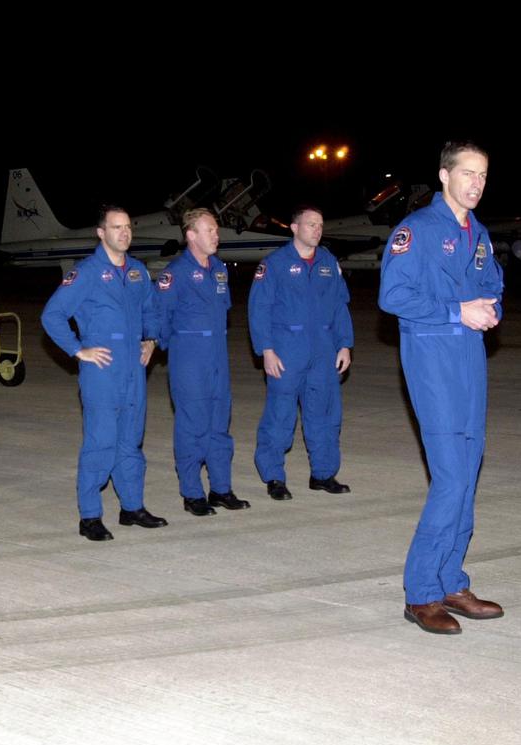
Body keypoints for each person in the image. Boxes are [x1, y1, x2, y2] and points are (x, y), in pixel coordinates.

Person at [379, 141, 506, 634]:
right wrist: (458, 310)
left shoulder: (479, 233)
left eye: (483, 175)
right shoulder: (416, 230)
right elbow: (393, 295)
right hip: (432, 357)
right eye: (468, 173)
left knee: (469, 471)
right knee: (451, 475)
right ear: (444, 176)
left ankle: (451, 579)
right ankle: (421, 592)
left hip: (470, 359)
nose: (476, 183)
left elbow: (492, 283)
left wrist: (490, 305)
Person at [41, 206, 166, 540]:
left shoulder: (138, 272)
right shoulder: (86, 273)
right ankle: (90, 516)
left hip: (134, 370)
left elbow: (151, 309)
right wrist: (77, 349)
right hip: (102, 371)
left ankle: (132, 507)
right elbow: (52, 315)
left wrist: (151, 339)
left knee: (131, 442)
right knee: (101, 442)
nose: (124, 233)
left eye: (128, 227)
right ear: (101, 233)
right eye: (116, 227)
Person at [248, 205, 354, 501]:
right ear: (294, 228)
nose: (317, 230)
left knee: (324, 414)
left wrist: (344, 343)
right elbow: (259, 310)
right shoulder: (275, 264)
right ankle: (274, 477)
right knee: (280, 416)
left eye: (320, 225)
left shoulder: (328, 262)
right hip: (287, 350)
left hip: (323, 349)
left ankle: (323, 474)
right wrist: (266, 350)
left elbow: (339, 305)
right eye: (310, 225)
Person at [154, 208, 249, 516]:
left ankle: (221, 489)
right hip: (189, 358)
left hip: (217, 356)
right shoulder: (175, 272)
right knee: (192, 426)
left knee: (220, 424)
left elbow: (224, 309)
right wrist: (168, 347)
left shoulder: (220, 268)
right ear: (191, 235)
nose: (216, 236)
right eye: (209, 230)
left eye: (216, 230)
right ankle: (192, 493)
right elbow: (161, 317)